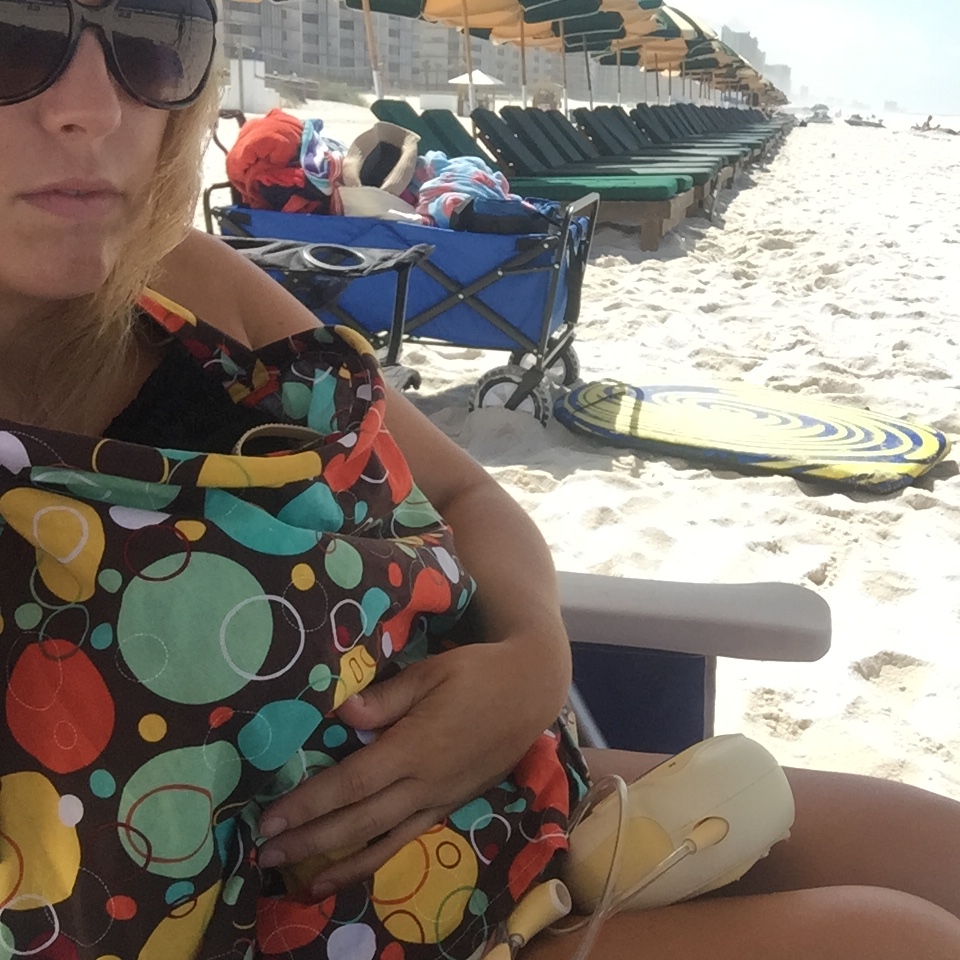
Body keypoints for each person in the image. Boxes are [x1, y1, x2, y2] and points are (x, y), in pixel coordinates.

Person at [2, 2, 960, 958]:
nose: (96, 106)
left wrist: (533, 661)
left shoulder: (181, 278)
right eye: (15, 32)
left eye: (151, 34)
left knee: (936, 850)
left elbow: (467, 495)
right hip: (324, 920)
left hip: (511, 790)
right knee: (899, 942)